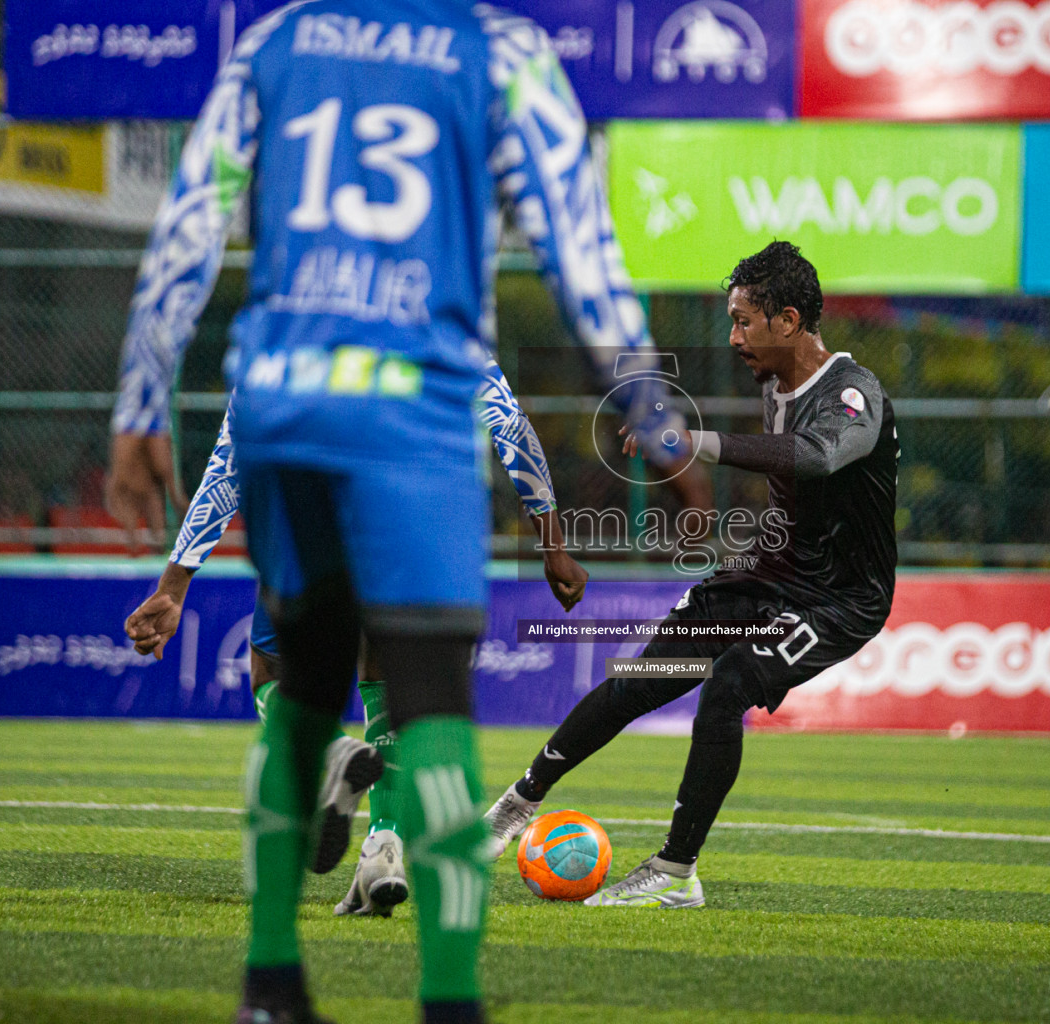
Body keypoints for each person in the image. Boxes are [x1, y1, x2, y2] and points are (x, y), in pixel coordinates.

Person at [104, 4, 685, 1021]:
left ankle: (271, 983)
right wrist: (645, 400)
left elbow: (193, 215)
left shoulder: (277, 39)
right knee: (433, 705)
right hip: (413, 410)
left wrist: (142, 401)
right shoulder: (500, 52)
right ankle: (448, 999)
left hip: (281, 397)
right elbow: (577, 242)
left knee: (297, 688)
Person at [483, 241, 898, 907]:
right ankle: (512, 807)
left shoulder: (854, 392)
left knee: (729, 683)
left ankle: (676, 872)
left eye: (743, 321)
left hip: (838, 600)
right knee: (641, 679)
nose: (734, 336)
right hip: (768, 575)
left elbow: (820, 458)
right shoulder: (776, 382)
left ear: (787, 321)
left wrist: (696, 438)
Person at [124, 357, 587, 912]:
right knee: (385, 679)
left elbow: (230, 466)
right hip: (421, 523)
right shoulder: (444, 316)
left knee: (270, 669)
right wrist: (553, 544)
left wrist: (175, 583)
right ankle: (383, 845)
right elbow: (511, 430)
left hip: (313, 517)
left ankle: (331, 752)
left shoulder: (284, 330)